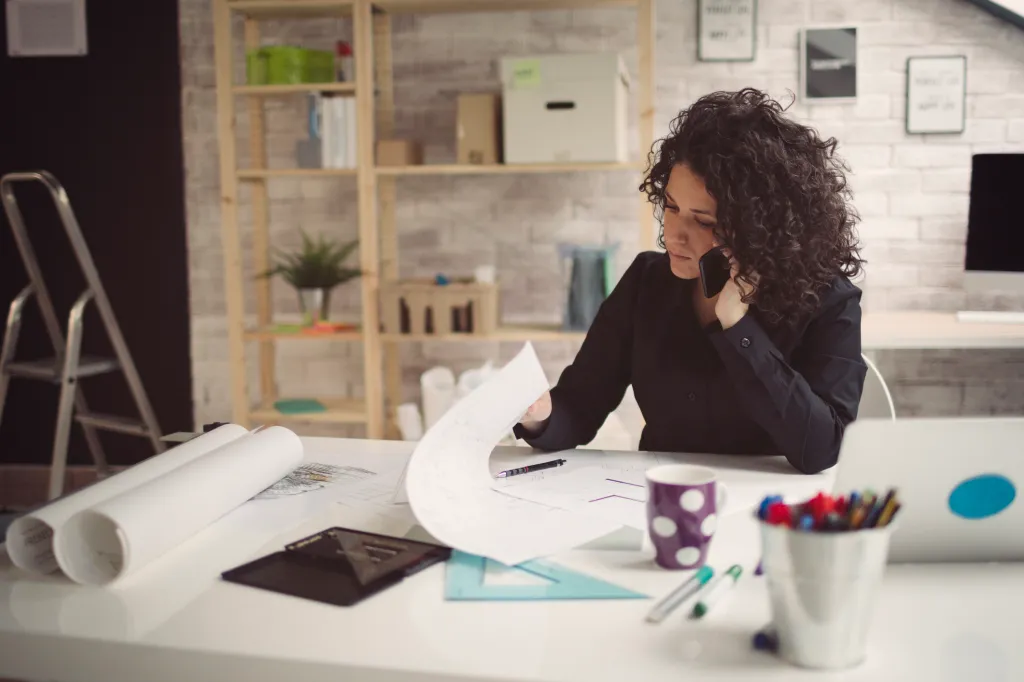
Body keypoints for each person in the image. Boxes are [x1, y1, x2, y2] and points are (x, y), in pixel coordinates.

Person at [513, 88, 868, 475]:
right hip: (660, 495)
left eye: (703, 221)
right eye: (670, 206)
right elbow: (579, 408)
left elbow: (821, 448)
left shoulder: (828, 300)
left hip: (767, 505)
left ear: (761, 227)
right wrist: (539, 414)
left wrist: (738, 328)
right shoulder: (646, 281)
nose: (674, 235)